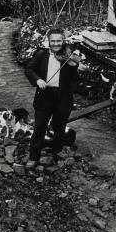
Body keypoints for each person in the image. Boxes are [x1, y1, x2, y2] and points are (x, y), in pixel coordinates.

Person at [24, 27, 80, 169]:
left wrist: (74, 62)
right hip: (44, 95)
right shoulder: (41, 55)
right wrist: (38, 80)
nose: (56, 44)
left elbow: (75, 78)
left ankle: (57, 149)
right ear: (48, 42)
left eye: (58, 41)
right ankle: (34, 156)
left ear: (63, 41)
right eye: (53, 41)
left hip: (63, 97)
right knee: (40, 126)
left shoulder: (68, 56)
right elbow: (29, 69)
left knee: (59, 126)